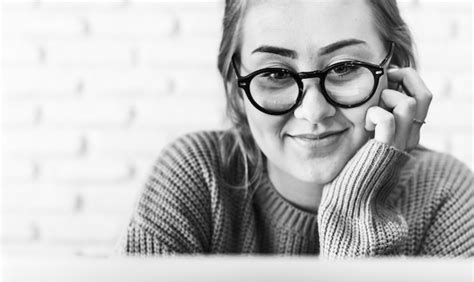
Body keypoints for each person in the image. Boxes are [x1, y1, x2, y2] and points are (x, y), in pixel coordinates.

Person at [116, 0, 474, 257]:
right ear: (236, 86)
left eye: (345, 67)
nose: (313, 110)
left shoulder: (445, 193)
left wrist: (360, 200)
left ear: (394, 72)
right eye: (274, 74)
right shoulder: (197, 173)